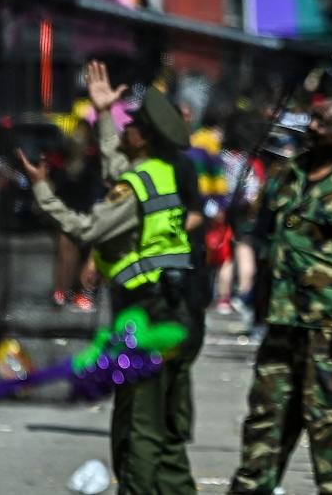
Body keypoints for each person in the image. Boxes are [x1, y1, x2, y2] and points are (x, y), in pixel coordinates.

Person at [19, 85, 198, 494]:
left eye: (131, 125)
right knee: (166, 424)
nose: (126, 129)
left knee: (139, 425)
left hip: (147, 312)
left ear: (145, 137)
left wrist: (42, 189)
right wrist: (103, 114)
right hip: (174, 309)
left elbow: (85, 228)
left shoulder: (135, 185)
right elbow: (118, 170)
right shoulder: (161, 171)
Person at [229, 99, 332, 495]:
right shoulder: (289, 173)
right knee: (264, 425)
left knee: (331, 435)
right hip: (284, 324)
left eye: (322, 123)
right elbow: (266, 227)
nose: (311, 126)